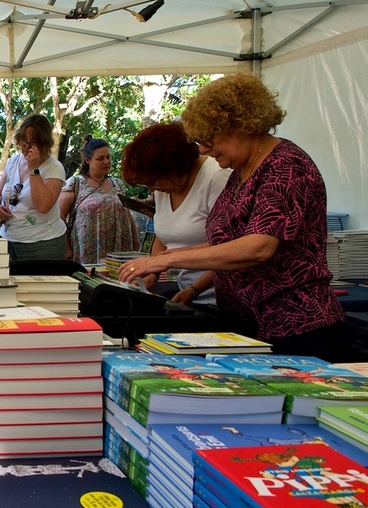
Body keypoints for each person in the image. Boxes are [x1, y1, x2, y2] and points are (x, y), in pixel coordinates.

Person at [119, 74, 348, 360]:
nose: (203, 149)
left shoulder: (286, 166)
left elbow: (257, 247)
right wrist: (164, 267)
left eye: (207, 139)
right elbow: (225, 243)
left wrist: (164, 260)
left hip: (293, 327)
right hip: (247, 322)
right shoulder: (242, 171)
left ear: (237, 126)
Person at [120, 122, 230, 304]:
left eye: (155, 181)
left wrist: (194, 290)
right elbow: (162, 237)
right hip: (186, 290)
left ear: (176, 167)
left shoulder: (217, 178)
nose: (153, 189)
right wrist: (152, 272)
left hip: (217, 297)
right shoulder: (164, 187)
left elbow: (228, 248)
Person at [0, 114, 67, 260]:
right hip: (9, 239)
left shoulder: (54, 168)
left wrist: (34, 168)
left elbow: (43, 206)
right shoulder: (13, 161)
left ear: (45, 143)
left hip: (43, 244)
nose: (27, 146)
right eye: (24, 140)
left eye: (34, 142)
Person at [58, 136, 138, 264]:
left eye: (108, 157)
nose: (106, 162)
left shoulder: (117, 184)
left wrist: (135, 241)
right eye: (100, 158)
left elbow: (127, 214)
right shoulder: (75, 184)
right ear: (88, 160)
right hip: (86, 254)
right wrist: (66, 249)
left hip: (118, 253)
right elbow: (59, 216)